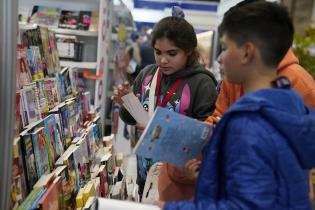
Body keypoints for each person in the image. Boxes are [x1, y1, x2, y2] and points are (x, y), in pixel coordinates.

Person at [159, 1, 315, 209]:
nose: (221, 59)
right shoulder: (290, 105)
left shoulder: (249, 123)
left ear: (246, 52)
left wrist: (168, 208)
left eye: (225, 47)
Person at [111, 9, 218, 201]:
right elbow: (132, 119)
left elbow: (204, 135)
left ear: (188, 51)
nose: (163, 60)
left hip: (178, 181)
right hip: (145, 172)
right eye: (158, 52)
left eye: (172, 53)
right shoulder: (147, 74)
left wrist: (155, 128)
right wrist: (127, 103)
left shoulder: (202, 83)